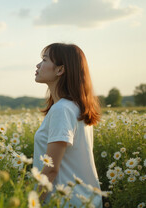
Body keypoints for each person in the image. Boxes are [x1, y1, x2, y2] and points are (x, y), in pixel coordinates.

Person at [33, 43, 103, 207]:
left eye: (44, 60)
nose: (38, 65)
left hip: (66, 201)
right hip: (84, 200)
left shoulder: (62, 109)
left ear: (60, 70)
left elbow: (51, 169)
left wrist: (29, 203)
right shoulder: (74, 107)